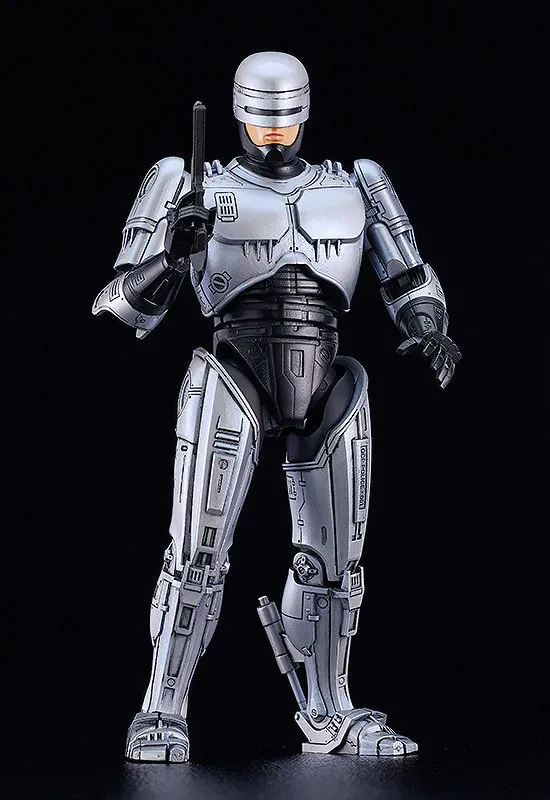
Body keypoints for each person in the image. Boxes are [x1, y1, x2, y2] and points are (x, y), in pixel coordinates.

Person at [93, 51, 461, 762]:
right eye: (262, 122)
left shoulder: (356, 185)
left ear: (305, 113)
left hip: (327, 375)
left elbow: (408, 279)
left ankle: (329, 711)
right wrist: (173, 256)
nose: (273, 136)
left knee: (336, 565)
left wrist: (428, 325)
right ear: (239, 114)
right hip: (232, 367)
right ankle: (162, 708)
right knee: (196, 553)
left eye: (285, 121)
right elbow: (119, 308)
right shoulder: (190, 183)